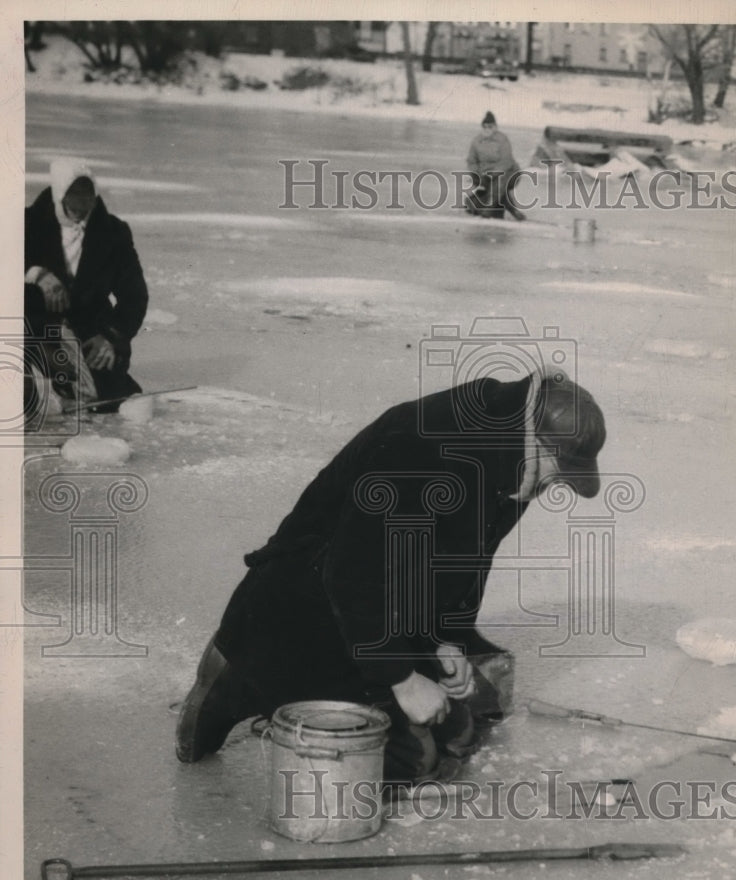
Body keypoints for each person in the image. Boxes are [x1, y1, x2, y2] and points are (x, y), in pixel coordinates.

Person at [175, 366, 606, 784]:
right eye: (561, 469)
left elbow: (462, 563)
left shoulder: (513, 459)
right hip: (301, 609)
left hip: (371, 611)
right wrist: (401, 679)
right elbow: (350, 573)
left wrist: (444, 639)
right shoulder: (422, 447)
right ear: (537, 442)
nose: (559, 485)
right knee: (409, 761)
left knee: (458, 730)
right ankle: (237, 673)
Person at [24, 157, 148, 415]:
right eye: (73, 204)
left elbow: (135, 296)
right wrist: (36, 273)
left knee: (108, 396)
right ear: (59, 196)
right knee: (25, 388)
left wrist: (112, 337)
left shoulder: (113, 233)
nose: (81, 213)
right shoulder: (27, 224)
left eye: (87, 202)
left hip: (89, 330)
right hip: (33, 325)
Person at [465, 111, 526, 221]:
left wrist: (493, 174)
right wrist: (477, 173)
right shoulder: (476, 141)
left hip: (509, 173)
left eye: (490, 126)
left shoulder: (502, 140)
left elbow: (506, 161)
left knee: (499, 181)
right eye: (484, 126)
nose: (487, 129)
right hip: (486, 176)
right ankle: (512, 209)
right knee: (474, 202)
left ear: (495, 127)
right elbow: (471, 161)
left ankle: (489, 208)